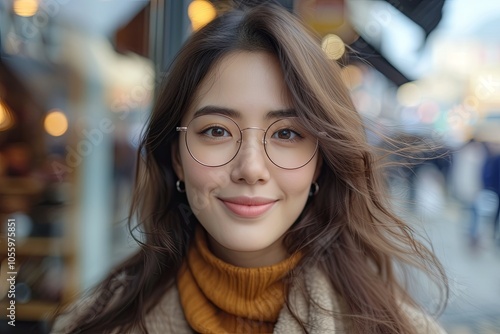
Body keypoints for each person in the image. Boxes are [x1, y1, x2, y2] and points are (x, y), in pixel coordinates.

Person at [52, 2, 448, 333]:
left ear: (322, 162)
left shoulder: (398, 327)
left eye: (288, 134)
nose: (251, 168)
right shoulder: (92, 323)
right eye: (217, 130)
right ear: (176, 155)